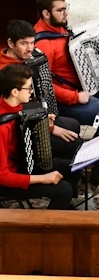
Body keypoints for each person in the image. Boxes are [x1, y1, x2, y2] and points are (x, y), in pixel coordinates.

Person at [33, 0, 99, 140]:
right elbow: (44, 87)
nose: (66, 13)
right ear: (46, 14)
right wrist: (75, 97)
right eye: (60, 10)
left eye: (66, 8)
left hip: (83, 88)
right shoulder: (43, 45)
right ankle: (95, 153)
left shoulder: (58, 27)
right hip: (65, 101)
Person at [0, 64, 79, 210]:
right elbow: (3, 176)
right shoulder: (2, 128)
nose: (31, 91)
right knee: (63, 190)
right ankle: (48, 223)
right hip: (9, 178)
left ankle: (66, 209)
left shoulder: (14, 104)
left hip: (23, 161)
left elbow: (23, 123)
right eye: (29, 88)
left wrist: (43, 121)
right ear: (15, 92)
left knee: (74, 166)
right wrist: (43, 178)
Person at [1, 20, 81, 160]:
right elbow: (11, 110)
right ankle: (50, 168)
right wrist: (48, 127)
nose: (30, 49)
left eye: (32, 43)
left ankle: (55, 162)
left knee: (73, 125)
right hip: (19, 131)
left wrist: (45, 113)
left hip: (35, 117)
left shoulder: (32, 58)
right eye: (24, 43)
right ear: (11, 43)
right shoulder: (4, 71)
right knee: (73, 143)